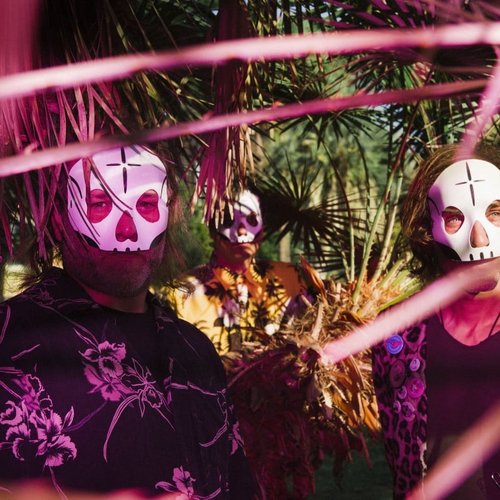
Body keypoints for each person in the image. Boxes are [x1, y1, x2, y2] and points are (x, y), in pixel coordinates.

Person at [0, 145, 255, 498]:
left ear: (169, 211)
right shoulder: (10, 340)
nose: (126, 229)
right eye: (100, 204)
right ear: (60, 219)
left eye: (146, 205)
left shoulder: (195, 350)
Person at [371, 143, 500, 499]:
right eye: (455, 217)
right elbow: (403, 464)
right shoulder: (396, 335)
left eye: (496, 211)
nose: (479, 238)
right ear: (428, 227)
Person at [168, 189, 315, 357]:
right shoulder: (181, 294)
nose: (242, 231)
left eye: (251, 219)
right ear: (212, 230)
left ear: (262, 228)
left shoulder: (293, 280)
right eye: (228, 220)